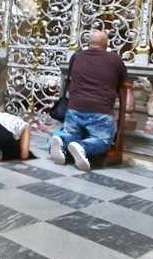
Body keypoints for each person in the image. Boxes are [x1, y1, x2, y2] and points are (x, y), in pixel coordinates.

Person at [50, 29, 127, 171]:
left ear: (87, 43)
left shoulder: (77, 56)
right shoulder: (115, 59)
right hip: (100, 110)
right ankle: (82, 147)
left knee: (72, 133)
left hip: (74, 108)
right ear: (106, 45)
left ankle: (63, 141)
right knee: (103, 141)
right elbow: (123, 79)